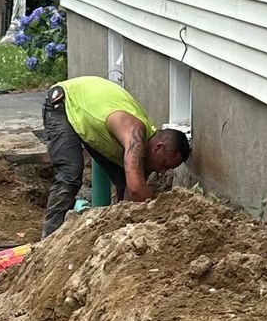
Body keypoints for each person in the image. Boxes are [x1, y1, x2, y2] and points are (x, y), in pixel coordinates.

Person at [40, 75, 190, 236]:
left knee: (128, 179)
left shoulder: (143, 143)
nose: (162, 172)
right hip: (65, 102)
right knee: (71, 174)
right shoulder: (135, 134)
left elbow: (132, 194)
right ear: (158, 148)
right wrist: (159, 216)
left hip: (91, 115)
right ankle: (48, 237)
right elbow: (136, 189)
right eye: (165, 165)